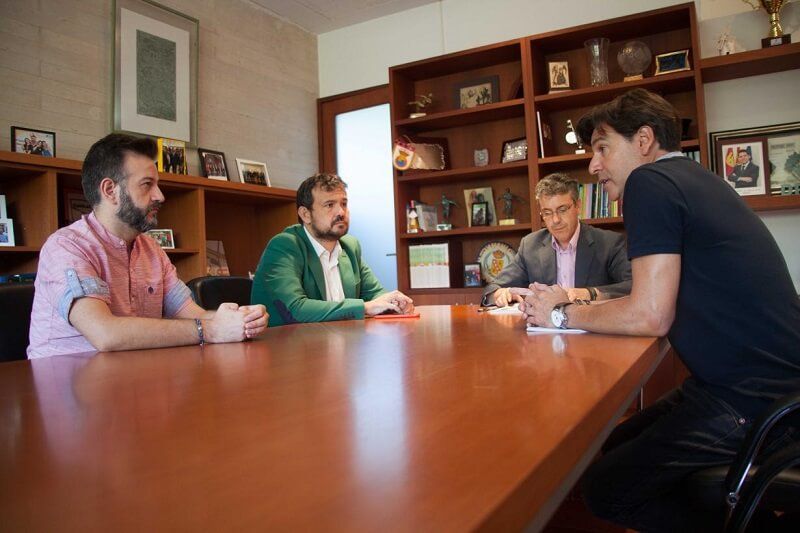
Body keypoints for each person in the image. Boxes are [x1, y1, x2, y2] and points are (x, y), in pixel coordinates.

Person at [521, 88, 800, 531]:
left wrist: (558, 315)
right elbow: (650, 294)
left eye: (602, 148)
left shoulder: (649, 183)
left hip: (756, 400)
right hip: (759, 386)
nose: (593, 166)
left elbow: (650, 314)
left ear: (644, 140)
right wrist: (575, 303)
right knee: (615, 443)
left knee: (605, 488)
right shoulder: (694, 178)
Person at [27, 133, 268, 359]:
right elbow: (105, 333)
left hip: (134, 378)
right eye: (147, 184)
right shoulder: (66, 247)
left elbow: (195, 315)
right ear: (110, 191)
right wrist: (211, 330)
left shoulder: (151, 250)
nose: (160, 196)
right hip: (63, 385)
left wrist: (240, 320)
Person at [251, 173, 414, 326]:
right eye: (329, 205)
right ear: (305, 214)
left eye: (344, 204)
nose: (341, 212)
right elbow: (295, 309)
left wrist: (394, 302)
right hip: (287, 343)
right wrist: (364, 308)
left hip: (339, 339)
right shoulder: (284, 246)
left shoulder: (350, 246)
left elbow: (375, 294)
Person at [483, 173, 631, 308]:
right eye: (547, 213)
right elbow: (492, 288)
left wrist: (590, 293)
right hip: (544, 327)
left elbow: (633, 286)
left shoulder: (609, 243)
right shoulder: (530, 245)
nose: (555, 220)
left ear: (578, 206)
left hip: (589, 325)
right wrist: (499, 294)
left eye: (562, 210)